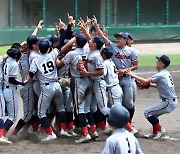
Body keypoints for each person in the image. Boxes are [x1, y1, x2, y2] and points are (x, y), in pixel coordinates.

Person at [92, 16, 138, 134]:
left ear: (125, 39)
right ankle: (124, 126)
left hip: (128, 79)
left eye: (119, 38)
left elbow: (135, 66)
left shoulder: (132, 51)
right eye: (117, 38)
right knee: (115, 104)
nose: (117, 39)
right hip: (116, 79)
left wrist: (126, 70)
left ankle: (128, 124)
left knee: (128, 103)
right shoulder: (112, 47)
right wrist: (96, 25)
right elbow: (102, 36)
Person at [57, 32, 97, 143]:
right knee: (87, 108)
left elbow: (60, 64)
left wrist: (57, 59)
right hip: (88, 80)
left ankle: (85, 134)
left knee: (80, 109)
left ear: (76, 42)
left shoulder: (72, 54)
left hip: (79, 82)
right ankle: (93, 131)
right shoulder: (89, 51)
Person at [126, 55, 178, 140]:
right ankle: (155, 133)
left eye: (159, 61)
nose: (157, 62)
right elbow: (159, 86)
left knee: (148, 112)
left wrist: (131, 74)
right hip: (170, 101)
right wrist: (149, 85)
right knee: (153, 114)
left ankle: (160, 130)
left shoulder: (161, 74)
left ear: (162, 64)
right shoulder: (165, 73)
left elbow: (146, 81)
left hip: (168, 102)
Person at [29, 39, 66, 141]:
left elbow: (31, 74)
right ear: (49, 48)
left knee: (41, 113)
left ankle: (50, 133)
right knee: (61, 108)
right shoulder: (52, 54)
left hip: (47, 88)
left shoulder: (35, 60)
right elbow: (61, 44)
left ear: (39, 49)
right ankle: (62, 129)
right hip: (57, 85)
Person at [3, 48, 28, 137]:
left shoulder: (7, 61)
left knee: (9, 115)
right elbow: (11, 79)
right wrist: (22, 83)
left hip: (6, 90)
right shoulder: (14, 64)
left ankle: (2, 134)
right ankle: (2, 135)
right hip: (10, 90)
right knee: (13, 117)